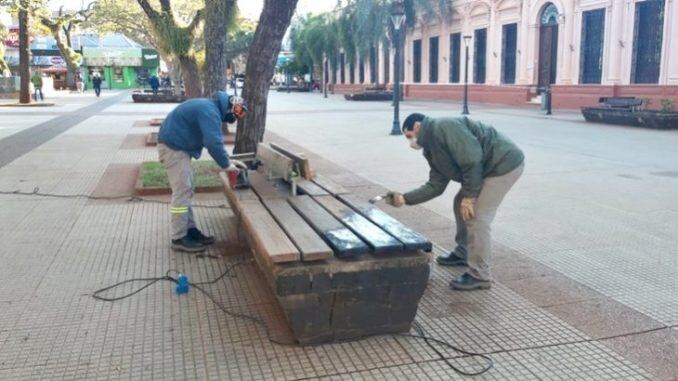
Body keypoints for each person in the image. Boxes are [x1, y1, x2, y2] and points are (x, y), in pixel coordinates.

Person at [386, 113, 524, 291]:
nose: (410, 141)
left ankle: (480, 275)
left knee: (477, 216)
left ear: (418, 126)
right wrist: (405, 198)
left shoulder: (444, 126)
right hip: (485, 168)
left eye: (409, 136)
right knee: (460, 203)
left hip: (503, 165)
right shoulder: (431, 148)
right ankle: (463, 252)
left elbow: (472, 160)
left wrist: (470, 197)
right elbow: (436, 185)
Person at [157, 91, 248, 253]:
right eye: (233, 116)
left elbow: (213, 140)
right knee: (182, 193)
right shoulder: (210, 111)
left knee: (186, 191)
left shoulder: (209, 107)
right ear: (229, 109)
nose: (231, 120)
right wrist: (226, 165)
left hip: (177, 147)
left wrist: (228, 161)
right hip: (173, 148)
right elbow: (213, 142)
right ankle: (178, 237)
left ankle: (189, 231)